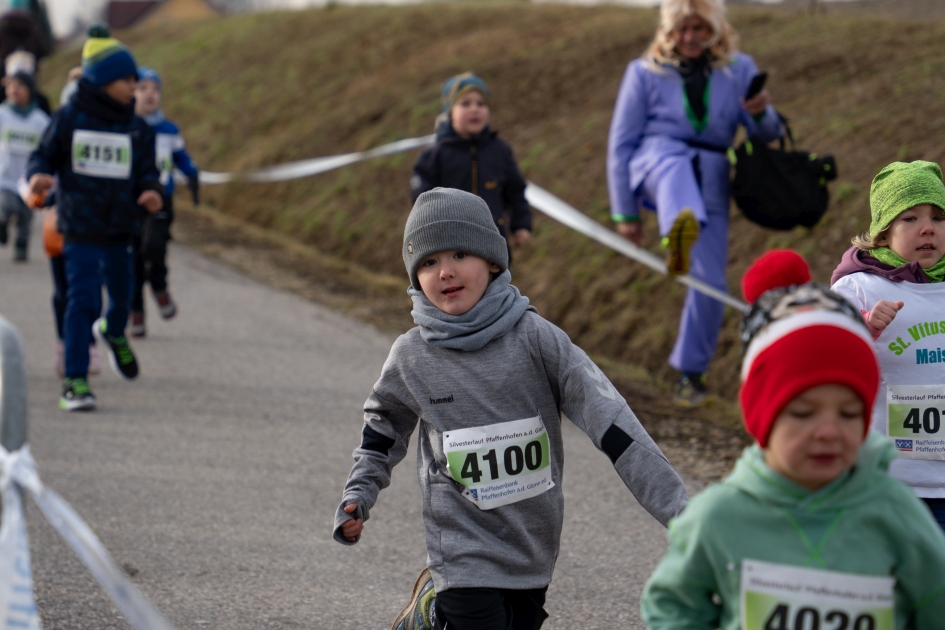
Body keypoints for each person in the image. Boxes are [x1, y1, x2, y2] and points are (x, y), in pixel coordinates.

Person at [333, 188, 688, 630]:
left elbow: (613, 424)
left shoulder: (538, 340)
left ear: (493, 261)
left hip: (530, 544)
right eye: (427, 262)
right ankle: (441, 607)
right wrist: (358, 494)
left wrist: (681, 512)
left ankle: (432, 616)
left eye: (460, 253)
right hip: (461, 548)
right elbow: (382, 432)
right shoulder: (412, 356)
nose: (445, 272)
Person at [641, 249, 945, 629]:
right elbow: (672, 606)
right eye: (803, 413)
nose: (828, 431)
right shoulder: (720, 516)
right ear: (762, 417)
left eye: (850, 413)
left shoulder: (897, 515)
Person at [607, 0, 781, 407]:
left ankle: (691, 374)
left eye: (699, 28)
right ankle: (677, 233)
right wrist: (626, 212)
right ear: (670, 30)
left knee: (711, 283)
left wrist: (760, 110)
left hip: (713, 176)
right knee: (673, 168)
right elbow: (620, 144)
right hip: (656, 164)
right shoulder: (643, 72)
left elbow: (768, 130)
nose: (690, 37)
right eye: (683, 28)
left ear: (715, 29)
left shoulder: (739, 68)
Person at [27, 32, 162, 411]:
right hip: (79, 227)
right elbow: (43, 155)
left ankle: (113, 331)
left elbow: (148, 174)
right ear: (103, 80)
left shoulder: (138, 129)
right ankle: (75, 381)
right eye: (127, 81)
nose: (134, 88)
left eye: (137, 82)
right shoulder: (69, 118)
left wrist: (152, 191)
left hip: (121, 228)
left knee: (121, 298)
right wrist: (39, 175)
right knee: (82, 299)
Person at [830, 160, 945, 531]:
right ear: (883, 232)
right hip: (888, 481)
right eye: (910, 218)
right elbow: (824, 362)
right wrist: (863, 330)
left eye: (939, 217)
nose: (928, 227)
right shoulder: (860, 288)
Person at [411, 72, 532, 261]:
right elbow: (422, 201)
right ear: (450, 113)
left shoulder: (500, 151)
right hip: (450, 248)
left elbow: (516, 191)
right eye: (465, 103)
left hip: (494, 245)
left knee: (497, 290)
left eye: (481, 103)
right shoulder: (433, 156)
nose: (475, 109)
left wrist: (521, 225)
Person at [129, 66, 199, 337]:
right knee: (133, 257)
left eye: (155, 89)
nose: (150, 94)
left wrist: (191, 172)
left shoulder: (169, 129)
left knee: (155, 247)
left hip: (162, 200)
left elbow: (181, 157)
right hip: (132, 202)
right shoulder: (125, 127)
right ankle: (136, 312)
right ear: (132, 93)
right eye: (143, 88)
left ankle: (159, 286)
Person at [0, 70, 46, 260]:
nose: (15, 90)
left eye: (20, 86)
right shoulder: (2, 114)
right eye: (11, 86)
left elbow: (47, 146)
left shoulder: (39, 119)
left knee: (26, 215)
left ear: (30, 91)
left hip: (28, 179)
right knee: (6, 206)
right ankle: (2, 224)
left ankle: (21, 246)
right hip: (5, 176)